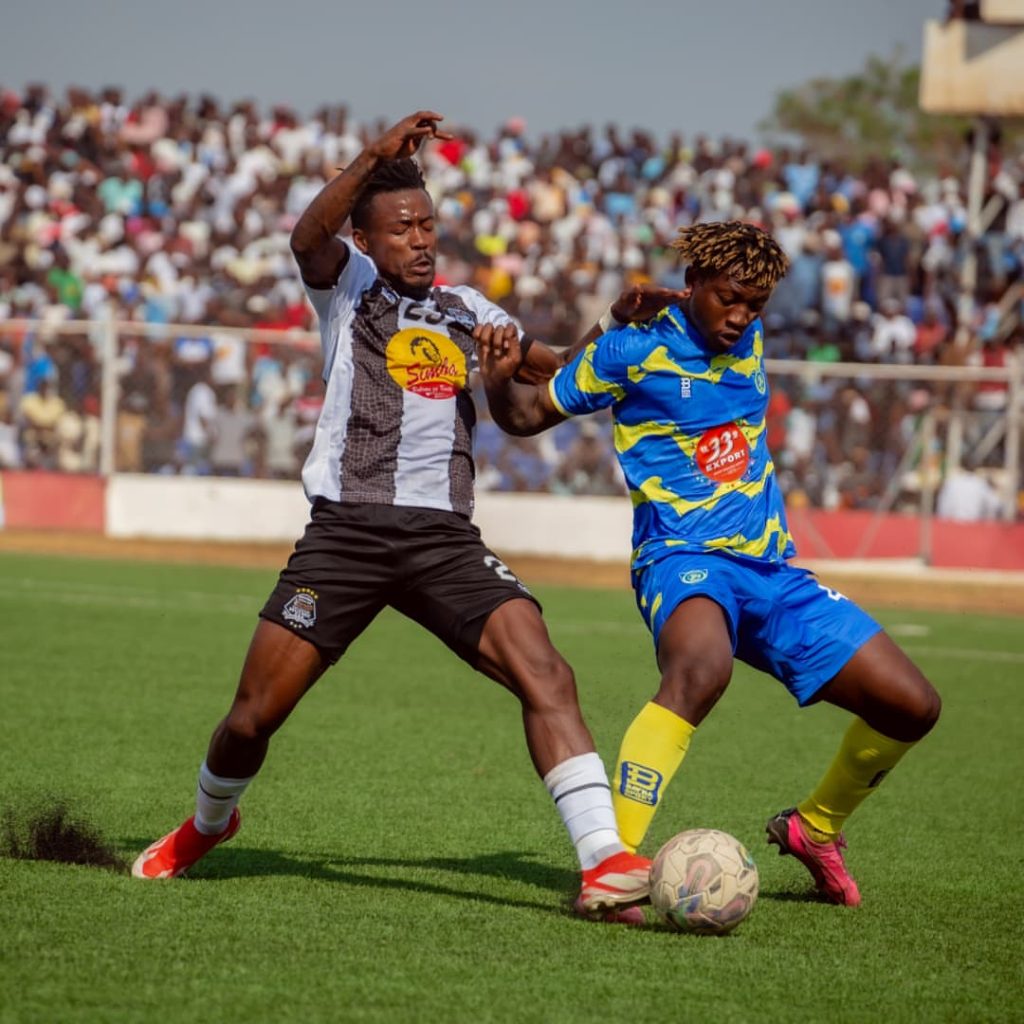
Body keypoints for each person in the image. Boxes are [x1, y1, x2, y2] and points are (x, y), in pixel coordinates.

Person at [132, 111, 669, 923]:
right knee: (252, 718)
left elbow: (561, 367)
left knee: (548, 673)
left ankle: (603, 863)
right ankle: (210, 824)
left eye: (429, 226)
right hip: (346, 533)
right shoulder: (346, 287)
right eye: (403, 228)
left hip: (444, 540)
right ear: (367, 237)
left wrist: (615, 323)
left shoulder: (467, 309)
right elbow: (305, 237)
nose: (421, 240)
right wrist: (371, 156)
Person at [474, 220, 941, 907]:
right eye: (729, 299)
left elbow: (713, 309)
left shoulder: (745, 336)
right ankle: (617, 867)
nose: (742, 317)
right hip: (681, 559)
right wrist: (503, 369)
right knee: (701, 671)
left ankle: (815, 829)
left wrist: (663, 303)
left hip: (773, 573)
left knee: (913, 705)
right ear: (695, 286)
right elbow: (525, 413)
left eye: (756, 305)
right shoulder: (633, 353)